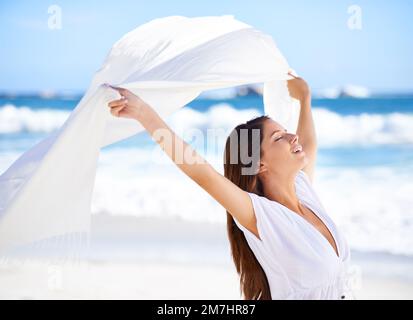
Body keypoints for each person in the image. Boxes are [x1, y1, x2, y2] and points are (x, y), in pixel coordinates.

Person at [106, 73, 353, 300]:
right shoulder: (261, 216)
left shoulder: (303, 190)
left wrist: (305, 97)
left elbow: (309, 142)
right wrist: (144, 114)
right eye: (278, 137)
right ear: (258, 164)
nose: (293, 137)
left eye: (286, 132)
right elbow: (202, 173)